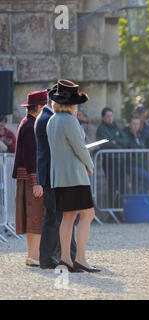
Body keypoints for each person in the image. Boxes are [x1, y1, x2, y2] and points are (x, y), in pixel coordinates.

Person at [47, 79, 99, 273]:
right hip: (75, 176)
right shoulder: (70, 120)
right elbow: (80, 147)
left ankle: (65, 258)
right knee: (88, 214)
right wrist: (90, 164)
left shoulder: (52, 120)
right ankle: (80, 258)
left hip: (59, 177)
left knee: (68, 217)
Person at [36, 86, 77, 269]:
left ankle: (53, 256)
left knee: (55, 218)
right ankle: (64, 257)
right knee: (59, 218)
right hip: (53, 174)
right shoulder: (48, 118)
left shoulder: (46, 117)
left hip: (51, 173)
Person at [12, 90, 46, 267]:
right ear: (39, 107)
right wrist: (36, 182)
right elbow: (31, 158)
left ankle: (33, 255)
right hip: (31, 180)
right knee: (35, 218)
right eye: (45, 107)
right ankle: (34, 256)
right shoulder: (31, 126)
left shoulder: (26, 122)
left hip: (26, 180)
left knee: (34, 218)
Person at [96, 107, 128, 208]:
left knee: (122, 186)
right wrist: (115, 142)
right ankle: (111, 210)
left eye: (111, 116)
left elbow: (126, 141)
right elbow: (105, 144)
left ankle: (119, 209)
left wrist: (115, 141)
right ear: (103, 117)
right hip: (109, 161)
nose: (110, 118)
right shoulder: (101, 129)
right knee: (112, 186)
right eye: (108, 116)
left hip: (120, 160)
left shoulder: (116, 127)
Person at [122, 114, 149, 194]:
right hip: (131, 165)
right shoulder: (125, 135)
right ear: (129, 124)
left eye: (137, 124)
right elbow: (129, 147)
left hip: (142, 165)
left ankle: (136, 200)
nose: (135, 126)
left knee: (136, 186)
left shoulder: (141, 135)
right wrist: (133, 137)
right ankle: (138, 196)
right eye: (134, 123)